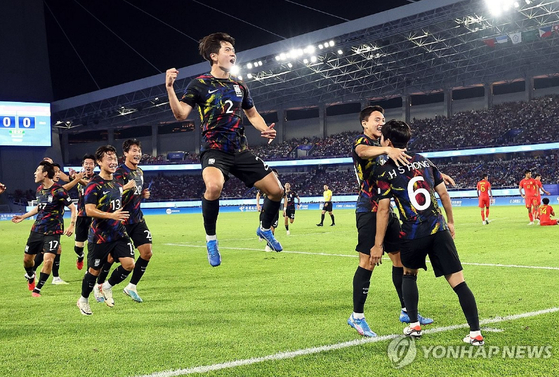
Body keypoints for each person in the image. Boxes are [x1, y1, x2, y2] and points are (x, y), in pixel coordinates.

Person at [166, 32, 284, 267]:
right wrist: (170, 88)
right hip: (214, 150)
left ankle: (264, 229)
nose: (233, 53)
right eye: (227, 49)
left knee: (277, 191)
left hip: (240, 150)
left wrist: (264, 129)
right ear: (214, 56)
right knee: (213, 186)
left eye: (233, 50)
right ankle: (211, 240)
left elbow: (252, 113)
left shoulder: (240, 86)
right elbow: (180, 114)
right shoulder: (199, 84)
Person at [372, 120, 484, 345]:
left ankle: (414, 325)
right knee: (459, 282)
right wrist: (450, 222)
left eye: (382, 139)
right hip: (438, 229)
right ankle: (475, 333)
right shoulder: (423, 161)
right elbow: (443, 194)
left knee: (409, 275)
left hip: (413, 233)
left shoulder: (384, 170)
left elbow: (384, 210)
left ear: (389, 142)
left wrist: (377, 244)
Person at [347, 106, 433, 338]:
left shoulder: (386, 147)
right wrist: (387, 149)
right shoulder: (362, 143)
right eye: (377, 119)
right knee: (367, 262)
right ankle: (357, 317)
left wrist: (434, 176)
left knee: (400, 260)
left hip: (387, 210)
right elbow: (362, 152)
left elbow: (406, 168)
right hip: (368, 210)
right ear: (365, 123)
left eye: (383, 119)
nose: (380, 122)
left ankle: (407, 310)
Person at [76, 145, 136, 315]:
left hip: (118, 233)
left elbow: (116, 201)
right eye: (109, 159)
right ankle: (83, 300)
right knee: (94, 271)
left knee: (129, 264)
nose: (113, 161)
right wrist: (111, 216)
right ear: (99, 162)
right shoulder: (93, 185)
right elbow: (89, 210)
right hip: (99, 237)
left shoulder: (117, 182)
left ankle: (106, 286)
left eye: (114, 158)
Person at [94, 139, 153, 303]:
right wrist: (126, 188)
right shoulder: (119, 172)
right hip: (121, 221)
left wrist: (143, 194)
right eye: (133, 150)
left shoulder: (140, 172)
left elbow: (137, 194)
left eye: (139, 150)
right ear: (125, 153)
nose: (137, 154)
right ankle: (98, 285)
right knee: (111, 258)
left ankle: (131, 286)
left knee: (147, 253)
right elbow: (112, 194)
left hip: (137, 219)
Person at [12, 161, 77, 297]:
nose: (35, 173)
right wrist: (23, 216)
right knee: (27, 260)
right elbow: (39, 207)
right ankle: (31, 275)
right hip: (37, 229)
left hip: (53, 232)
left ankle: (38, 288)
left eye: (37, 170)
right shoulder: (39, 190)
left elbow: (72, 208)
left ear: (45, 173)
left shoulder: (59, 191)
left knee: (48, 260)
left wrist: (72, 224)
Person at [31, 162, 84, 285]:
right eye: (55, 172)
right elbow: (63, 189)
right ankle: (33, 272)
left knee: (57, 250)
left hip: (54, 225)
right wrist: (76, 180)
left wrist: (75, 178)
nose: (57, 174)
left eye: (59, 172)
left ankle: (54, 277)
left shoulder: (54, 188)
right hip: (47, 226)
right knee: (47, 251)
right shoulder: (52, 189)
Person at [72, 154, 96, 270]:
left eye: (91, 164)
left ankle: (90, 271)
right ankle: (80, 256)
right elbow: (64, 177)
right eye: (86, 163)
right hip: (81, 216)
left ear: (95, 166)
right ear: (83, 165)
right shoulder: (79, 177)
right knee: (78, 247)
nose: (88, 166)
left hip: (94, 216)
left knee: (93, 246)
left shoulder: (97, 179)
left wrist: (77, 178)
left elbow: (89, 185)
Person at [256, 171, 281, 252]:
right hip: (265, 209)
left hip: (275, 211)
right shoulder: (265, 186)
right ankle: (262, 233)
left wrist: (284, 209)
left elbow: (284, 196)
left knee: (272, 228)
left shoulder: (279, 186)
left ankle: (268, 245)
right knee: (265, 227)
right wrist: (258, 204)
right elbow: (258, 194)